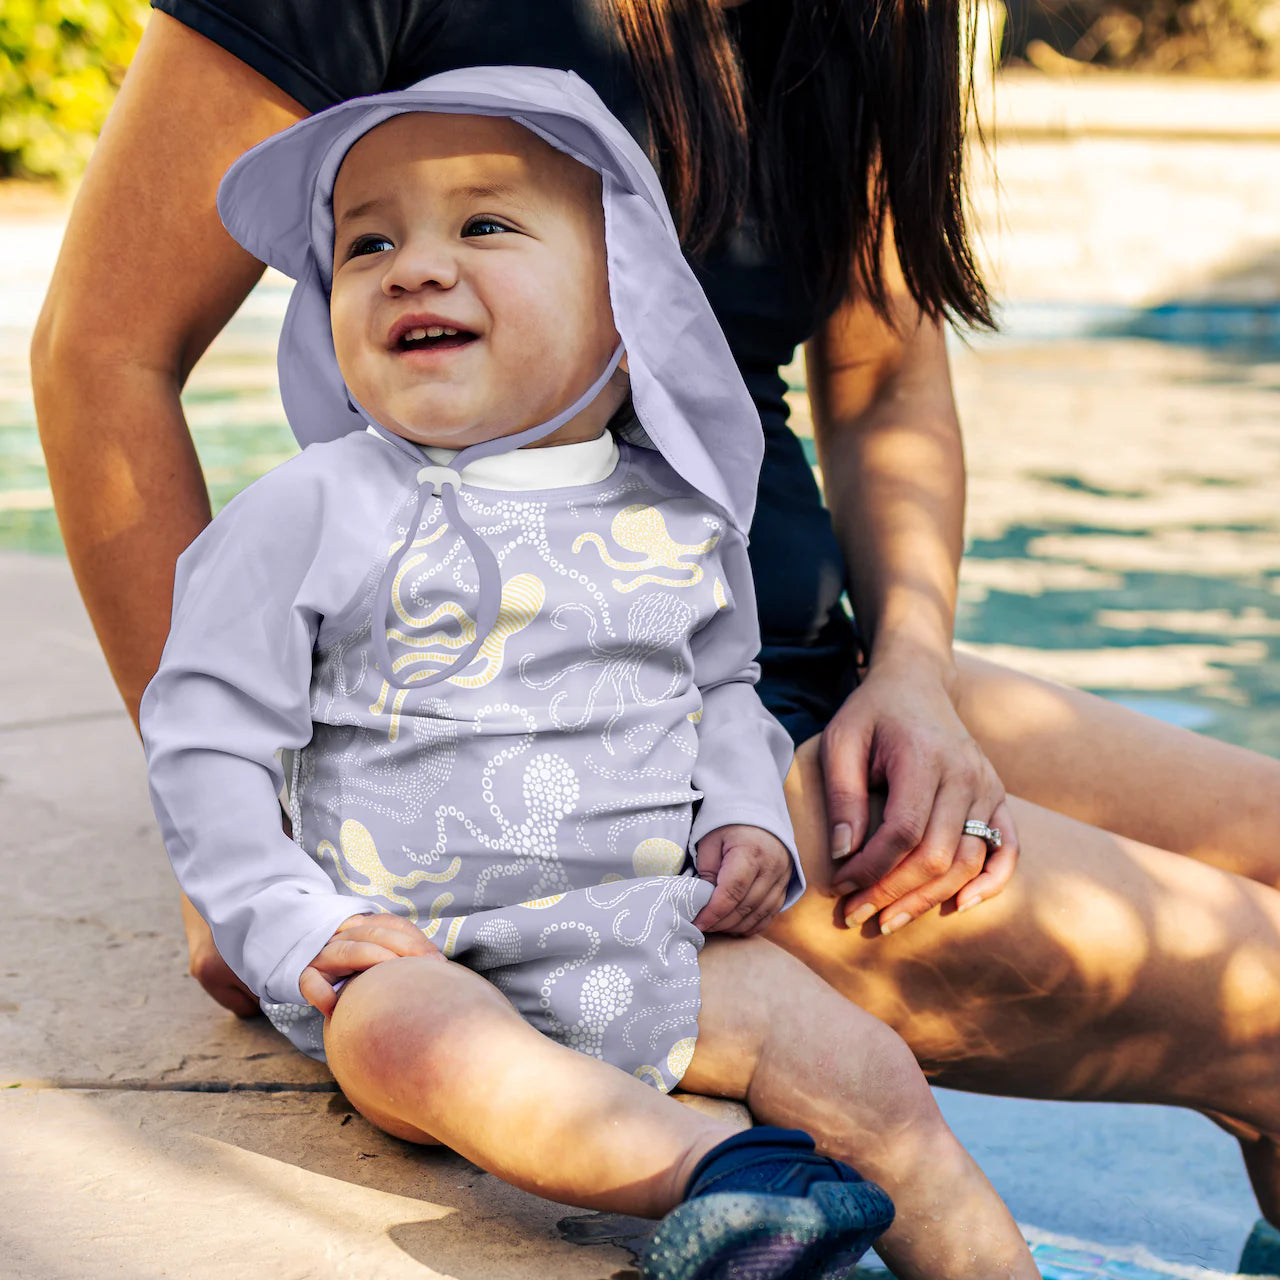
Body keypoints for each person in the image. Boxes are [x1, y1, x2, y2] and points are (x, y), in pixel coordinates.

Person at [30, 0, 1280, 1228]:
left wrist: (911, 671)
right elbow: (106, 350)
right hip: (603, 785)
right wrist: (245, 865)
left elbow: (878, 361)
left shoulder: (873, 17)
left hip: (783, 661)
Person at [139, 69, 1041, 1279]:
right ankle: (719, 1182)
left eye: (485, 224)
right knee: (405, 1043)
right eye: (367, 242)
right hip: (415, 950)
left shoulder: (672, 514)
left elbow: (719, 690)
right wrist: (283, 916)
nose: (413, 265)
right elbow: (205, 738)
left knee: (867, 1072)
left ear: (627, 300)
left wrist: (734, 811)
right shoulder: (317, 506)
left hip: (639, 935)